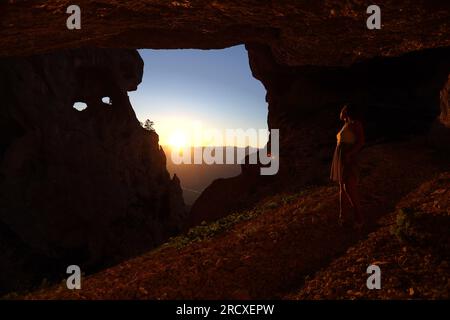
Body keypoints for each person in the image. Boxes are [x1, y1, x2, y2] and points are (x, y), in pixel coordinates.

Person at [330, 104, 365, 229]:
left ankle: (359, 218)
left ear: (347, 112)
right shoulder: (345, 125)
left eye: (343, 110)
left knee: (349, 188)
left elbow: (361, 141)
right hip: (340, 157)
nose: (341, 111)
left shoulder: (356, 124)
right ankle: (342, 216)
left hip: (348, 157)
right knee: (342, 189)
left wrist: (350, 154)